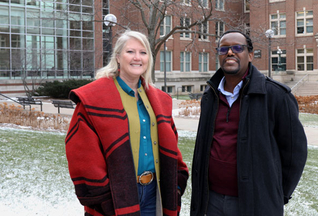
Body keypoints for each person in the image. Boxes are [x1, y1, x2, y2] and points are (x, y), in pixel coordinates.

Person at [65, 30, 189, 216]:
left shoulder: (159, 99)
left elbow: (172, 143)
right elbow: (81, 156)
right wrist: (104, 197)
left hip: (154, 194)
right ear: (118, 57)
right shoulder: (94, 98)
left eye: (143, 52)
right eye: (130, 52)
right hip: (117, 197)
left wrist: (177, 181)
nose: (137, 58)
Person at [190, 30, 308, 216]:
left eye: (238, 48)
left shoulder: (276, 96)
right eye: (224, 49)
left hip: (254, 203)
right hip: (211, 201)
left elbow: (295, 152)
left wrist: (278, 194)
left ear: (250, 55)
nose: (230, 53)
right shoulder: (209, 96)